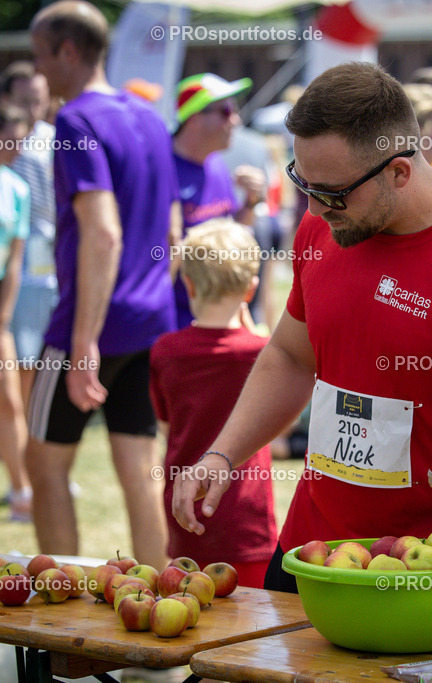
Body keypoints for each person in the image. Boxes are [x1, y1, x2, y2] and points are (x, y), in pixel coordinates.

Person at [172, 62, 432, 594]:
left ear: (399, 172)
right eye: (302, 182)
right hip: (311, 555)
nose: (313, 207)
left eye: (332, 192)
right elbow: (291, 356)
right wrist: (224, 453)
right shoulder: (325, 223)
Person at [26, 0, 178, 568]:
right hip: (150, 322)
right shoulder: (149, 117)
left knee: (44, 465)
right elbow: (171, 230)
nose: (37, 70)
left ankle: (61, 603)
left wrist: (84, 339)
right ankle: (161, 600)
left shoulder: (75, 120)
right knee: (140, 471)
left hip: (88, 324)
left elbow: (103, 233)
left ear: (68, 52)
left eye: (40, 56)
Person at [150, 219, 276, 588]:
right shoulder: (263, 352)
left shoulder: (165, 352)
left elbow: (166, 427)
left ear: (188, 284)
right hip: (247, 520)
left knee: (187, 604)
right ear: (251, 289)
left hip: (185, 510)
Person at [0, 102, 33, 522]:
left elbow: (15, 262)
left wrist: (0, 324)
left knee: (9, 401)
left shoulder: (18, 188)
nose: (18, 148)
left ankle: (21, 490)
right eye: (11, 140)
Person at [172, 72, 259, 328]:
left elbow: (233, 233)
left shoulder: (216, 165)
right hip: (173, 321)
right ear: (195, 119)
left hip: (215, 320)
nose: (235, 120)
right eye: (226, 111)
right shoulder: (162, 168)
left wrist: (251, 202)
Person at [0, 62, 59, 413]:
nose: (33, 110)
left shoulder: (57, 139)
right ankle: (20, 422)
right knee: (20, 356)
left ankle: (35, 422)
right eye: (25, 101)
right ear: (6, 99)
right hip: (13, 267)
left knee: (45, 356)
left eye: (39, 101)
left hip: (51, 268)